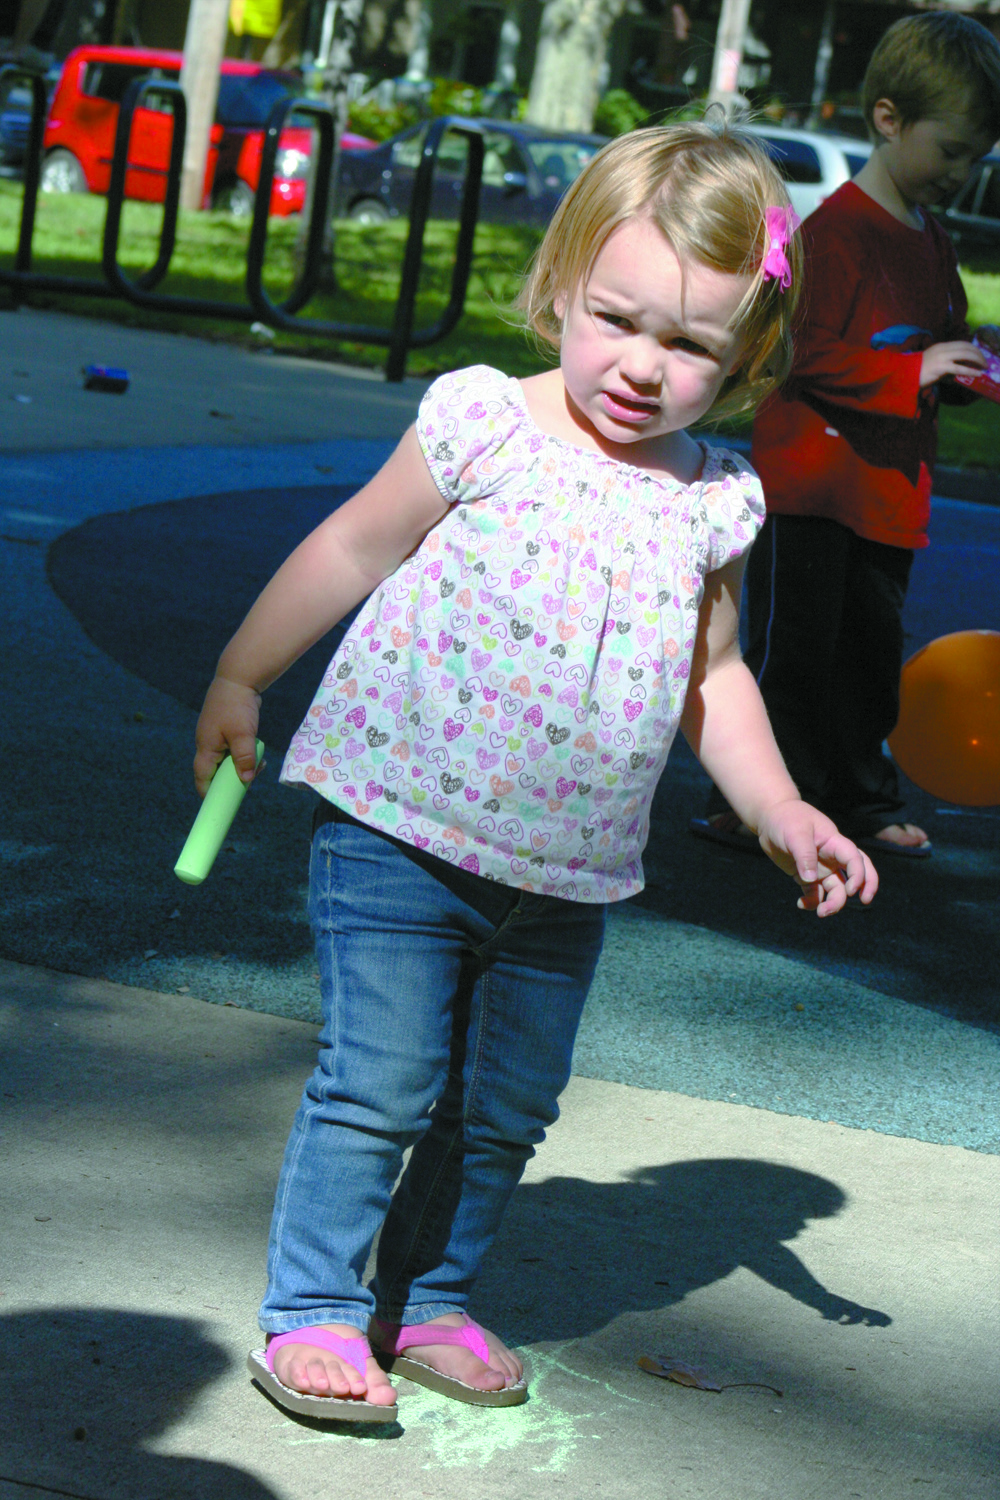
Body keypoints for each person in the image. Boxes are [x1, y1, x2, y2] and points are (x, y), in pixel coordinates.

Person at [192, 121, 878, 1423]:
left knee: (506, 1105)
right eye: (618, 318)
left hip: (565, 872)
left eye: (688, 345)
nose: (641, 364)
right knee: (380, 1082)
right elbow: (353, 549)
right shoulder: (485, 426)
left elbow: (712, 678)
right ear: (563, 281)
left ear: (743, 359)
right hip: (399, 824)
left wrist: (782, 807)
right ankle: (318, 1312)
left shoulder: (711, 500)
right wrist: (243, 674)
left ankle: (429, 1296)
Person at [693, 12, 1000, 861]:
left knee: (869, 656)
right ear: (889, 119)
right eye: (952, 151)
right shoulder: (837, 230)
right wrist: (913, 373)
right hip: (814, 484)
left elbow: (939, 335)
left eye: (978, 157)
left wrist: (965, 372)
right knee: (795, 652)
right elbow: (802, 351)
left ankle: (861, 802)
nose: (962, 173)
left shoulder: (931, 240)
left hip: (889, 493)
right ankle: (768, 802)